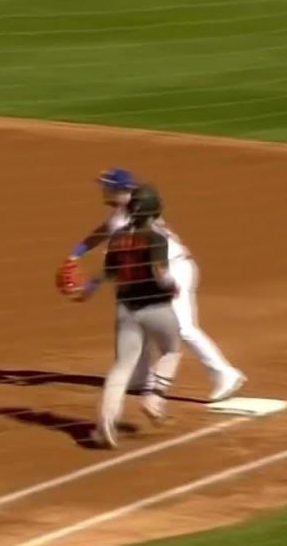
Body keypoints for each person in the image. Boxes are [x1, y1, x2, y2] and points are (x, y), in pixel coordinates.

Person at [65, 169, 247, 402]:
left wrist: (91, 286)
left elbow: (118, 262)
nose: (103, 190)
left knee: (183, 327)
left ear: (120, 190)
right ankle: (141, 377)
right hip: (156, 271)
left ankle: (225, 374)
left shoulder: (129, 218)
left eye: (106, 186)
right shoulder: (124, 213)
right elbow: (100, 233)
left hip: (173, 270)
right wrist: (76, 253)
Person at [71, 184, 181, 448]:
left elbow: (108, 273)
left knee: (122, 365)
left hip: (126, 310)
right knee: (171, 351)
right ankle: (154, 397)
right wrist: (171, 285)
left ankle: (105, 425)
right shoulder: (156, 237)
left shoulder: (118, 236)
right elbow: (159, 272)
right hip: (156, 307)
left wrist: (87, 289)